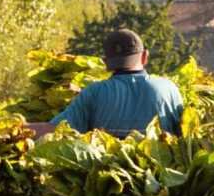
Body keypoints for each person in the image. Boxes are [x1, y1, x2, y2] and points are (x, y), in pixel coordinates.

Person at [27, 29, 184, 139]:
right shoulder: (168, 89)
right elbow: (184, 134)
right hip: (159, 182)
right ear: (145, 56)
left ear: (106, 62)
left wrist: (14, 128)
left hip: (106, 183)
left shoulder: (94, 92)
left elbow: (54, 129)